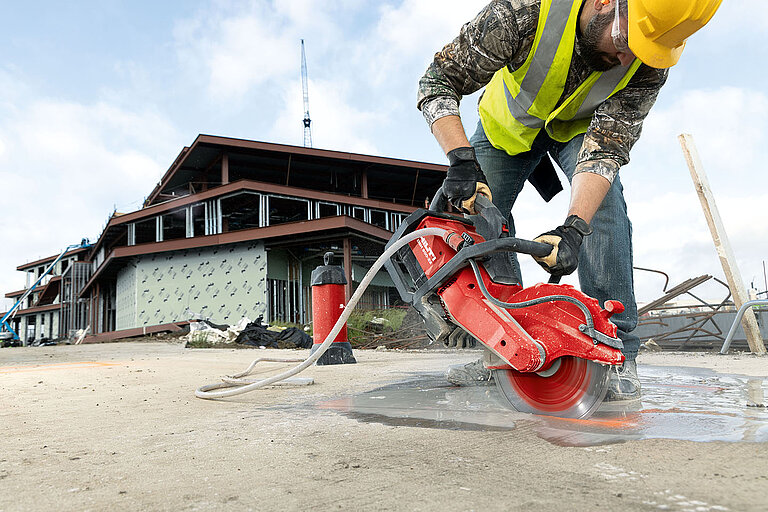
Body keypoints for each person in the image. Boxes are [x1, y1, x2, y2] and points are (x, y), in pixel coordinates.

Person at [417, 0, 722, 400]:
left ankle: (617, 351)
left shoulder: (650, 57)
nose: (628, 56)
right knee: (475, 219)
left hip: (578, 131)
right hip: (506, 128)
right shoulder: (525, 11)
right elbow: (437, 81)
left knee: (605, 212)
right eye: (627, 40)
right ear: (603, 3)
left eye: (644, 50)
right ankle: (501, 346)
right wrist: (460, 161)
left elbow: (606, 150)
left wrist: (574, 228)